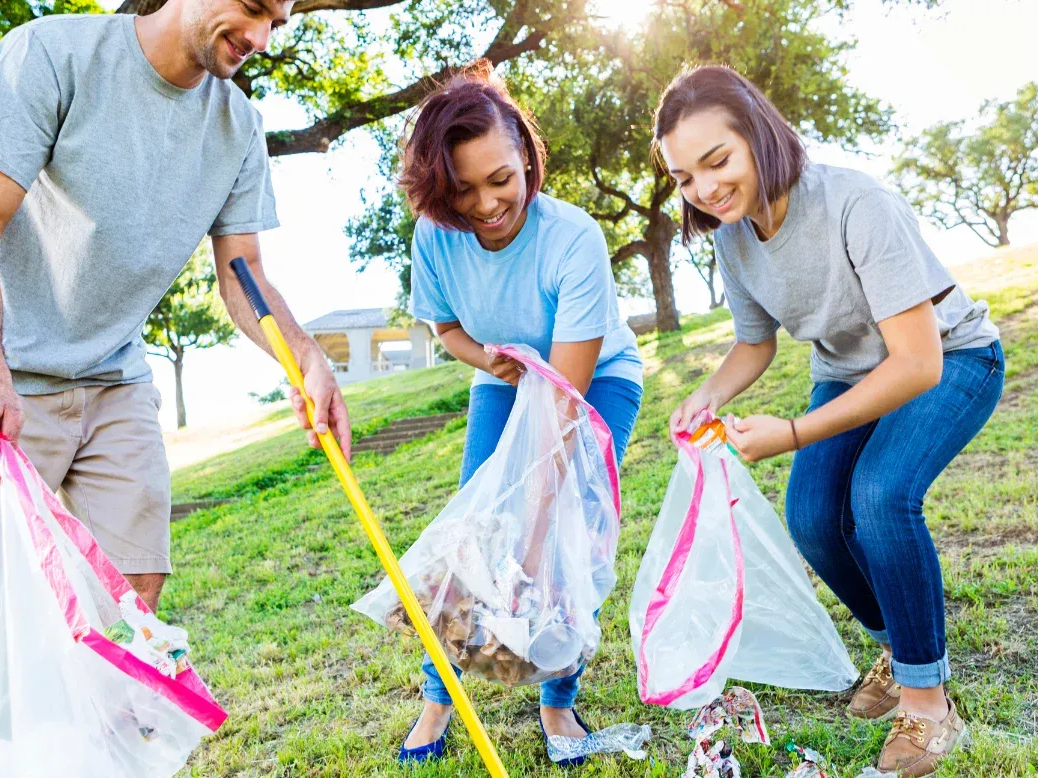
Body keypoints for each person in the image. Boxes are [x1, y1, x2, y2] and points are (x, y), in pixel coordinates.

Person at [0, 2, 351, 773]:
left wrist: (308, 359)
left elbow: (243, 273)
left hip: (112, 378)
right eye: (255, 8)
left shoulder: (237, 126)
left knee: (125, 611)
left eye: (280, 23)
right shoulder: (53, 55)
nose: (261, 38)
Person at [657, 65, 1003, 778]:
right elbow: (755, 343)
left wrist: (789, 433)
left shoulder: (855, 202)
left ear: (756, 133)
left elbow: (916, 365)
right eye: (685, 177)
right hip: (847, 372)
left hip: (953, 358)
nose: (705, 188)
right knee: (814, 518)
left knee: (879, 498)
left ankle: (928, 703)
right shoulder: (733, 235)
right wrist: (708, 395)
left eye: (716, 160)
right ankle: (902, 647)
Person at [396, 62, 644, 767]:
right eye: (462, 188)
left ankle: (558, 701)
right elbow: (445, 328)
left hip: (591, 382)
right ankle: (437, 699)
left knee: (566, 530)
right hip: (505, 382)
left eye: (501, 179)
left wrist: (535, 541)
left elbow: (564, 405)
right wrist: (485, 360)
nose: (485, 204)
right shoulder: (435, 236)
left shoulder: (573, 238)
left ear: (528, 157)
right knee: (473, 534)